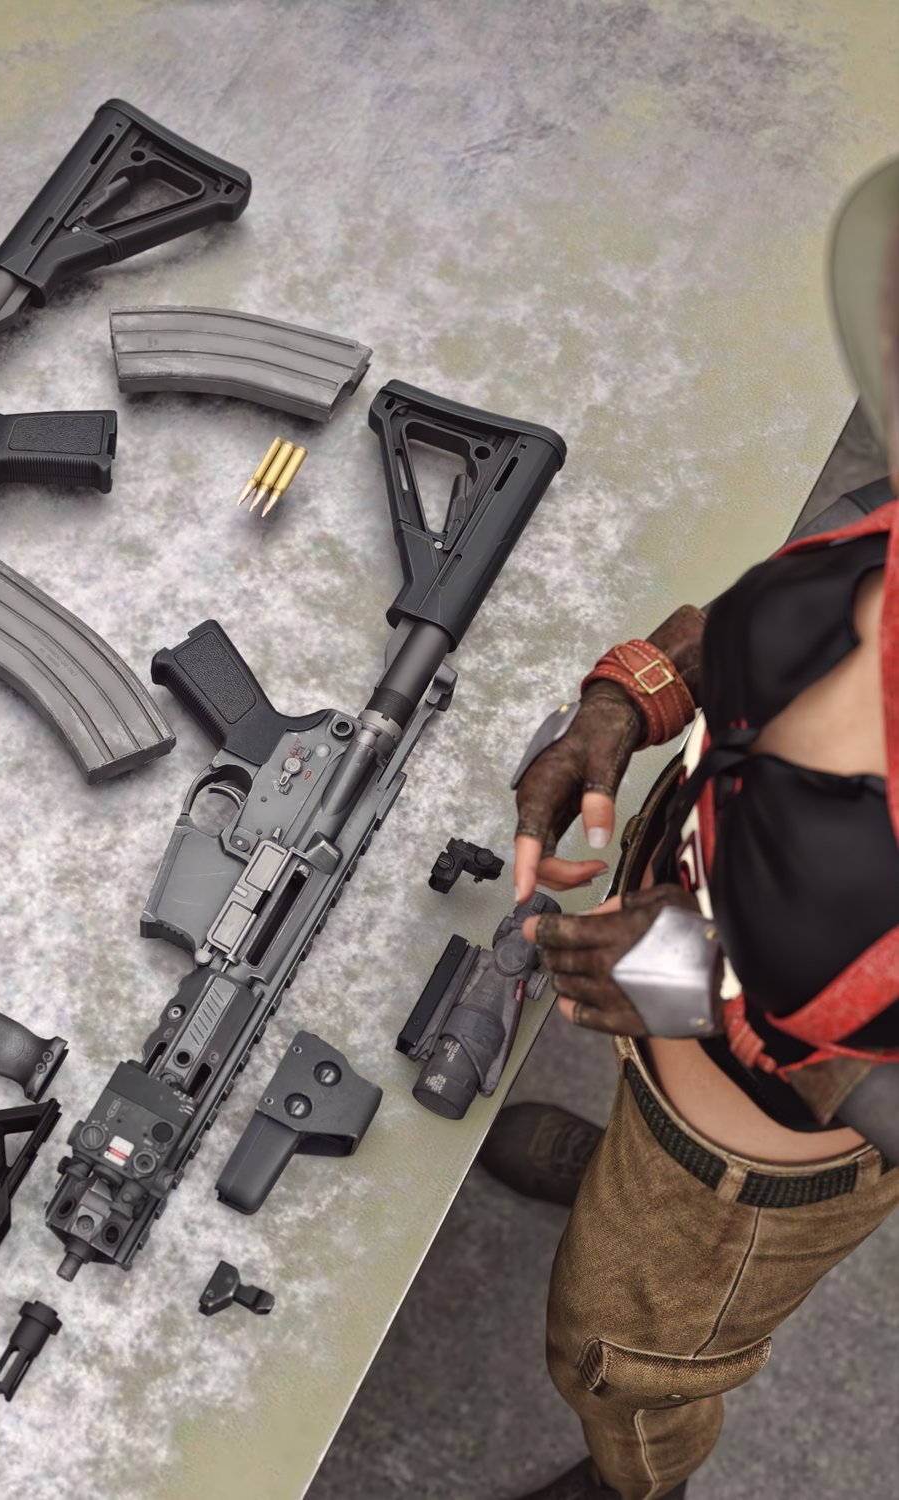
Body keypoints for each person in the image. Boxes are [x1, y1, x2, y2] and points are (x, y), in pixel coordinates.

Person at [480, 158, 899, 1500]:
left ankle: (631, 1481)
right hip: (668, 990)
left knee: (620, 1351)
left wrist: (696, 977)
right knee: (632, 1153)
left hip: (748, 1161)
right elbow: (793, 590)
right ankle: (620, 1168)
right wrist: (628, 700)